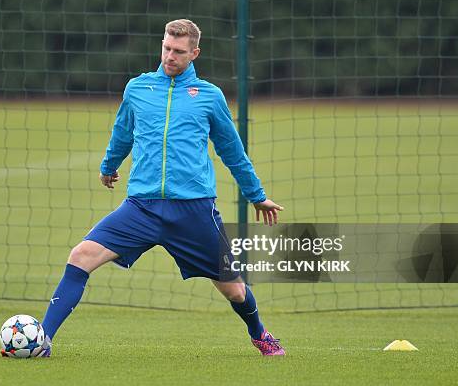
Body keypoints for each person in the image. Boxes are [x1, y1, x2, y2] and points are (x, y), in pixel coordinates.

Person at [38, 19, 285, 357]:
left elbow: (232, 150)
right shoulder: (138, 88)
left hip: (194, 212)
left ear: (194, 53)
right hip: (141, 207)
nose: (170, 56)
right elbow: (123, 132)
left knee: (235, 290)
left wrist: (256, 195)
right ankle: (42, 340)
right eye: (167, 48)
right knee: (80, 256)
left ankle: (260, 334)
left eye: (179, 51)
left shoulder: (209, 97)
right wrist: (109, 166)